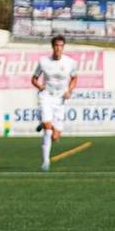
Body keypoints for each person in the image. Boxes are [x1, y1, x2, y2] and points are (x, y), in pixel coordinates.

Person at [32, 34, 80, 171]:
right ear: (52, 47)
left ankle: (45, 122)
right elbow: (34, 79)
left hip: (60, 100)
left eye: (61, 46)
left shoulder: (70, 62)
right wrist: (41, 87)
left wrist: (69, 90)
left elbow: (74, 78)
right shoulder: (43, 61)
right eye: (56, 46)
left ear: (63, 47)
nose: (58, 48)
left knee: (55, 137)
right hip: (46, 96)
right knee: (47, 131)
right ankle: (45, 162)